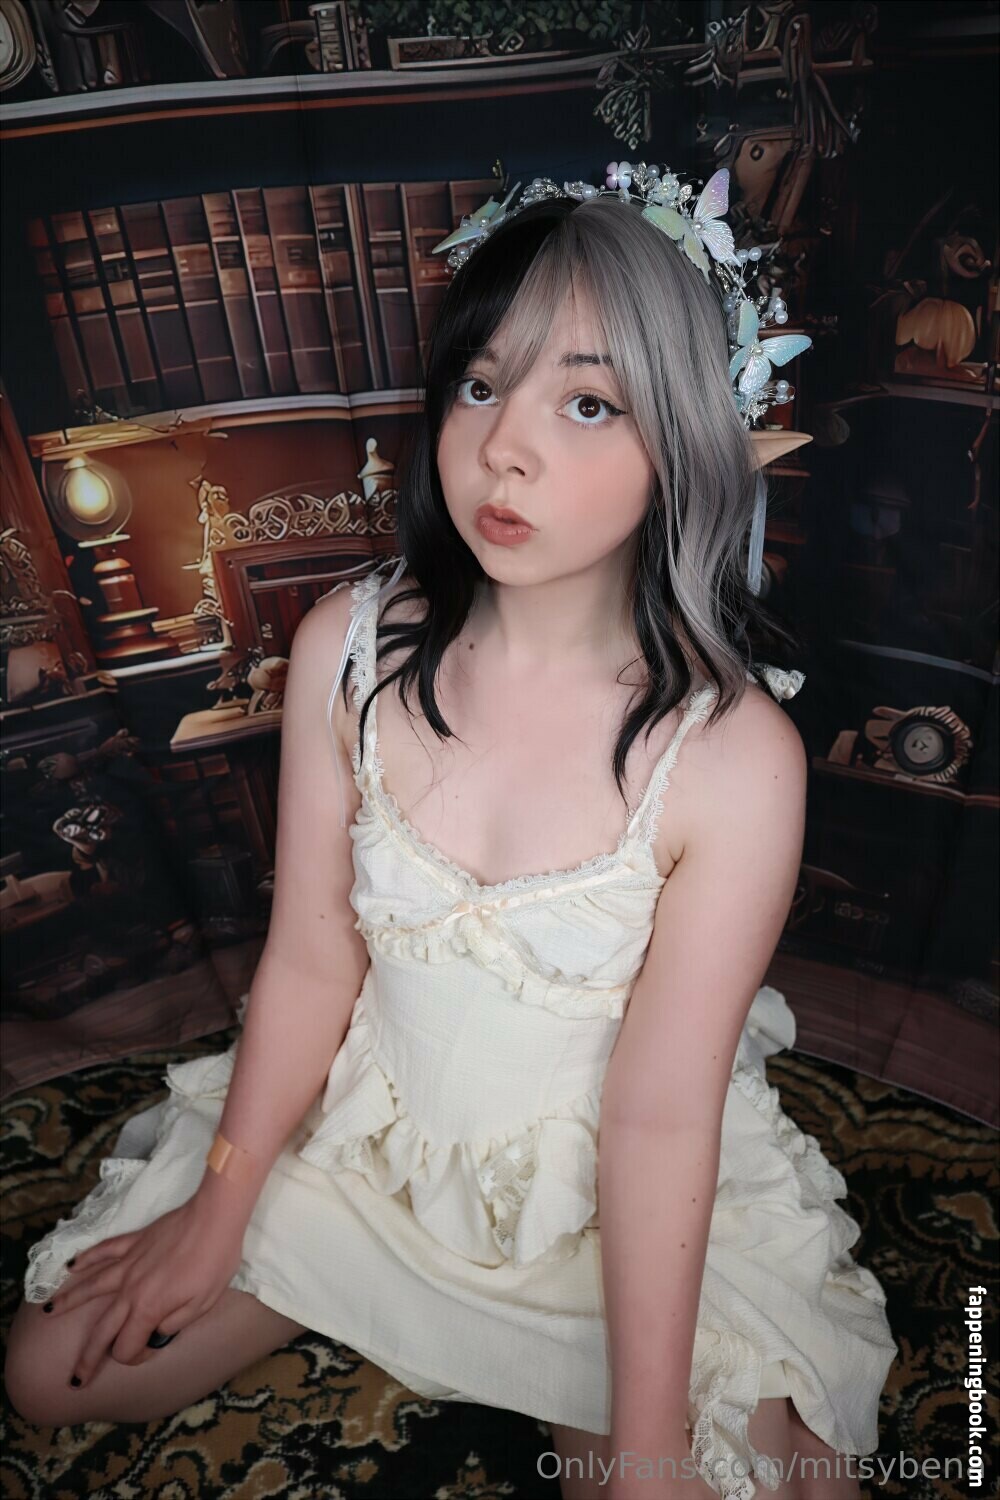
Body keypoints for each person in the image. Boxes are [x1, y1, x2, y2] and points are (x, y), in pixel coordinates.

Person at [5, 170, 896, 1500]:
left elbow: (658, 1117)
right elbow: (312, 959)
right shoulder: (349, 649)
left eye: (585, 403)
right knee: (48, 1370)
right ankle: (338, 1275)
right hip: (370, 1147)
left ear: (683, 440)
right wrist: (220, 1211)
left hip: (602, 1203)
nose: (503, 451)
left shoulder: (733, 759)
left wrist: (648, 1445)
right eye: (481, 385)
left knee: (735, 1481)